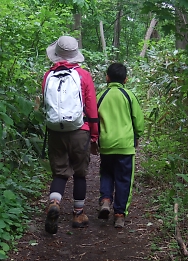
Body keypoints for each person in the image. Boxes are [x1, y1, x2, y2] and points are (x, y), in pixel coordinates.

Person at [42, 35, 99, 234]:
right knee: (80, 173)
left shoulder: (48, 75)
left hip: (56, 131)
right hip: (79, 130)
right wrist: (94, 135)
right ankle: (78, 214)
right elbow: (91, 107)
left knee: (60, 172)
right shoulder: (83, 75)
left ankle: (55, 202)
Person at [95, 63, 144, 228]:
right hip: (125, 146)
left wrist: (95, 139)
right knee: (124, 179)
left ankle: (106, 200)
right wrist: (137, 135)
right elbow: (138, 120)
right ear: (126, 79)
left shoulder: (100, 95)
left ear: (107, 77)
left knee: (107, 173)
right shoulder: (129, 96)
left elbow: (94, 120)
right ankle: (119, 214)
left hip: (106, 144)